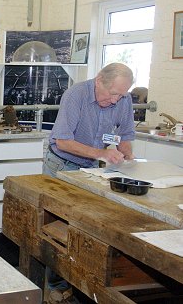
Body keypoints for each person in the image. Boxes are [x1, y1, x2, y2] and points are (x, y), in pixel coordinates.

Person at [42, 62, 135, 303]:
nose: (116, 101)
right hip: (62, 165)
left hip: (92, 168)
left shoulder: (123, 99)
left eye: (121, 95)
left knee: (87, 225)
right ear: (98, 80)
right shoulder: (75, 95)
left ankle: (83, 283)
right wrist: (102, 154)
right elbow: (62, 141)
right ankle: (56, 286)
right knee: (58, 225)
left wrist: (127, 157)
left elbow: (125, 135)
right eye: (113, 94)